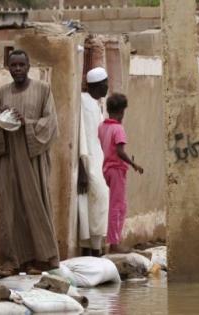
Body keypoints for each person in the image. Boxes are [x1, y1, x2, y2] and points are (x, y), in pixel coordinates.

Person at [0, 50, 59, 277]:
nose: (17, 69)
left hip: (32, 159)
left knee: (35, 206)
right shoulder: (1, 93)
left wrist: (27, 123)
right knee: (9, 208)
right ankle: (11, 262)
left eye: (21, 65)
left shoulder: (43, 90)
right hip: (8, 159)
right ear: (8, 67)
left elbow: (50, 123)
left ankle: (42, 259)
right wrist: (0, 120)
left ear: (28, 66)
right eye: (13, 65)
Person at [98, 93, 143, 253]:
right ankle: (114, 244)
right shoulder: (118, 129)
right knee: (118, 207)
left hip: (106, 169)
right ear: (121, 112)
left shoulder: (102, 126)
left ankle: (114, 241)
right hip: (117, 170)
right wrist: (134, 164)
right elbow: (119, 151)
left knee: (115, 205)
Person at [77, 67, 111, 257]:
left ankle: (96, 248)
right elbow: (81, 132)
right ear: (97, 86)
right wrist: (82, 165)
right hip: (88, 160)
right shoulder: (83, 102)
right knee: (93, 203)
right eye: (105, 84)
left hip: (99, 161)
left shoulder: (98, 104)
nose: (107, 88)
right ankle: (91, 250)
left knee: (99, 203)